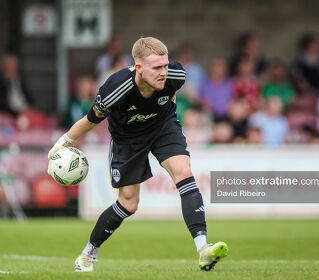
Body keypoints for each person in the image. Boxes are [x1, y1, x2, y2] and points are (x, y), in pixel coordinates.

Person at [48, 37, 228, 272]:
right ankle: (88, 253)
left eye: (165, 65)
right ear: (139, 68)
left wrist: (165, 113)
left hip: (163, 127)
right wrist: (60, 144)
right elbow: (89, 121)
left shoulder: (176, 74)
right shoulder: (114, 89)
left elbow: (171, 93)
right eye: (157, 68)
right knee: (129, 204)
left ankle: (203, 249)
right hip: (127, 140)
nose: (164, 72)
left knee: (184, 173)